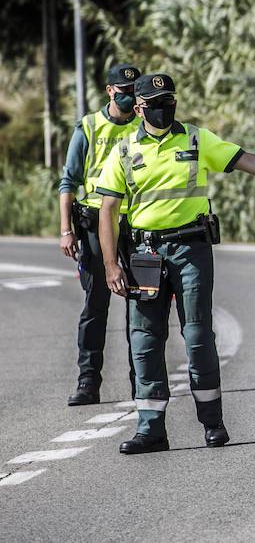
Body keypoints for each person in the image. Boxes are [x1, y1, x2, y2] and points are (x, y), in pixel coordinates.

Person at [96, 72, 255, 454]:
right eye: (157, 104)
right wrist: (111, 265)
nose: (165, 109)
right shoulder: (125, 150)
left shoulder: (196, 138)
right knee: (144, 340)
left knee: (197, 336)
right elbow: (108, 210)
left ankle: (213, 423)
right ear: (141, 107)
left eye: (170, 101)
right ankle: (151, 430)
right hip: (144, 255)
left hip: (191, 249)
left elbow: (254, 162)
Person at [57, 62, 141, 406]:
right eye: (123, 93)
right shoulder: (88, 127)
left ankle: (143, 381)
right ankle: (88, 381)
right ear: (110, 91)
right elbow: (68, 182)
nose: (129, 99)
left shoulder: (144, 126)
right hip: (93, 225)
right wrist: (66, 230)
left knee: (140, 305)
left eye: (134, 94)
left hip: (134, 225)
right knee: (96, 305)